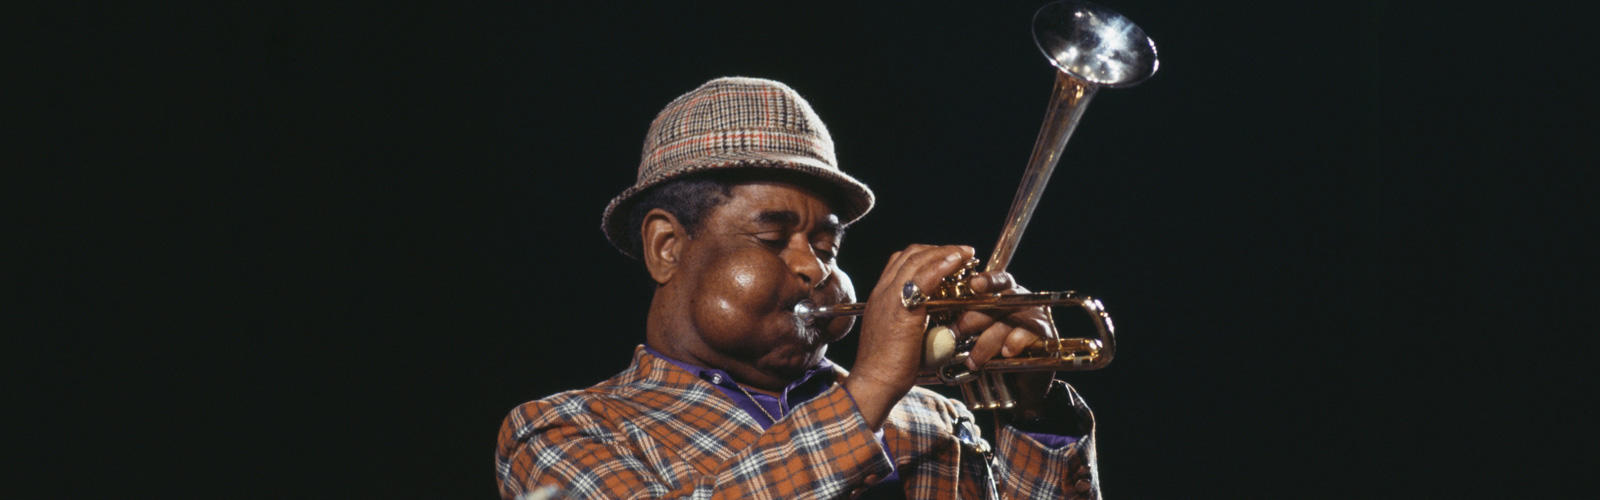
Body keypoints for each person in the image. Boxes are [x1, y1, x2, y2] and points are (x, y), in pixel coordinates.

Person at [496, 77, 1101, 499]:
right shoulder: (566, 428)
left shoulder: (935, 419)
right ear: (667, 247)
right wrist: (868, 389)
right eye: (772, 237)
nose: (815, 270)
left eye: (828, 247)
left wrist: (1036, 414)